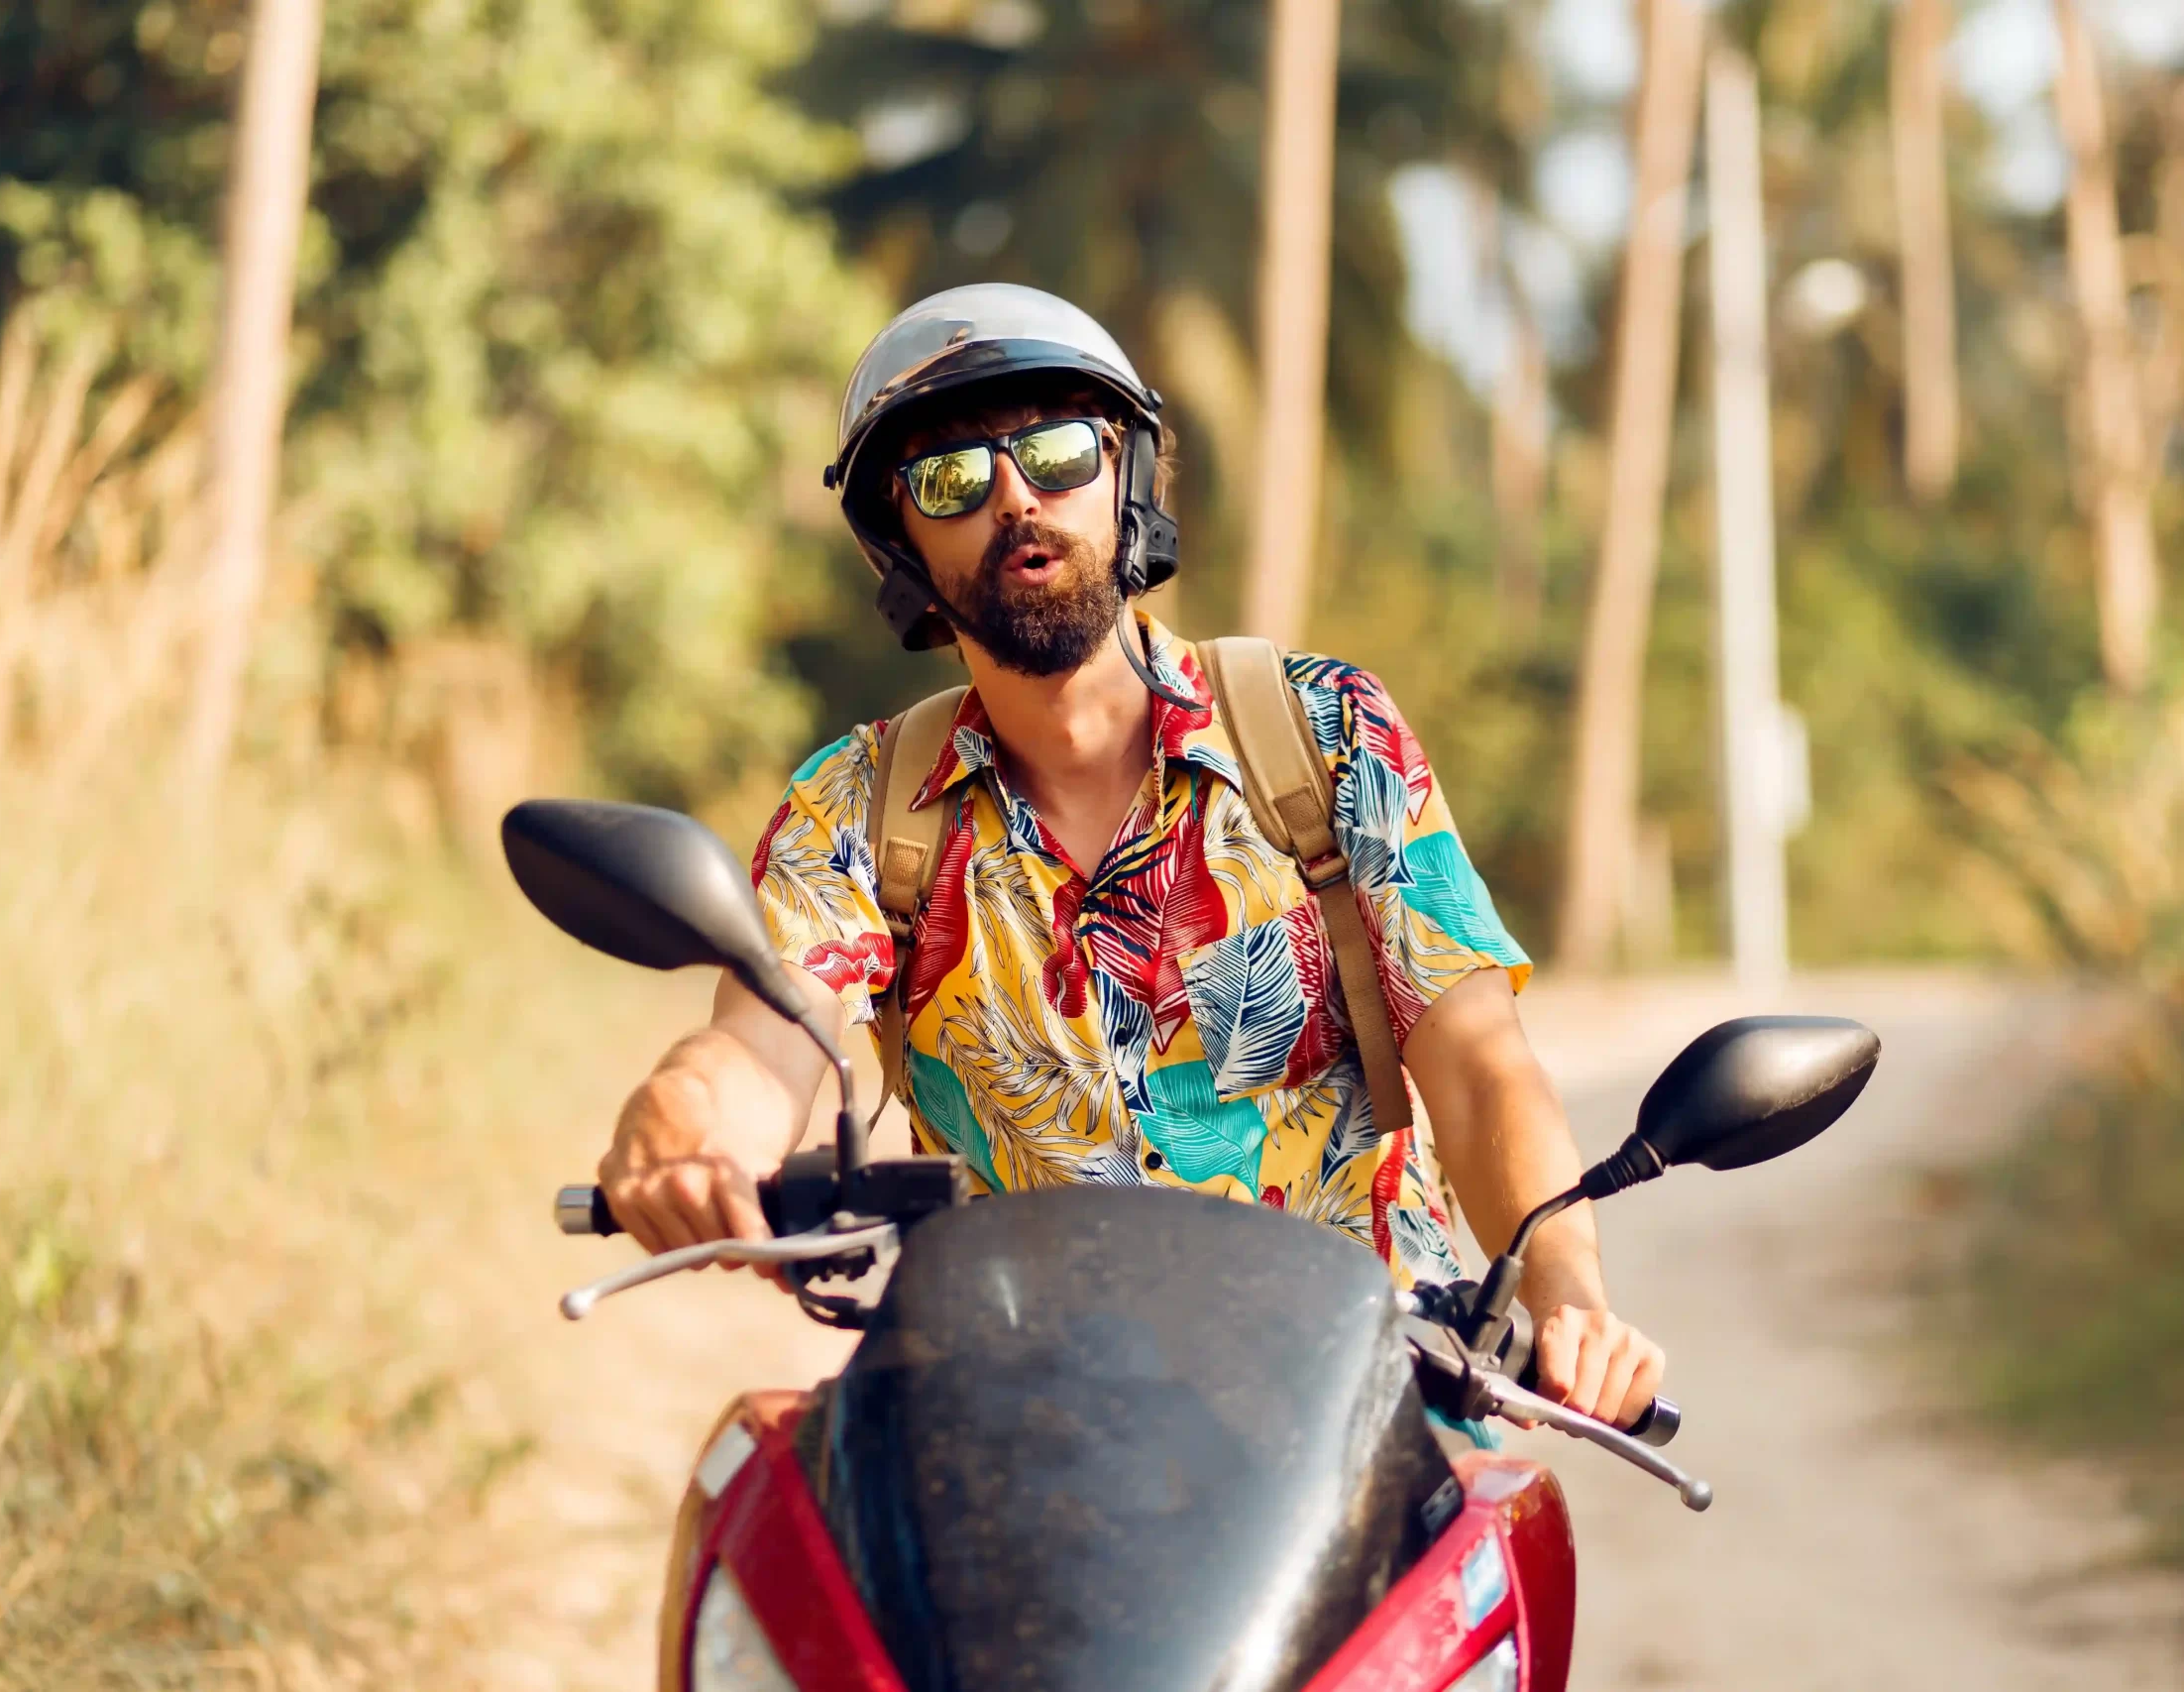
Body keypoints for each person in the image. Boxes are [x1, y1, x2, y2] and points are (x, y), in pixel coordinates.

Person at [597, 283, 1667, 1427]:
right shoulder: (859, 813)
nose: (1014, 498)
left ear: (1125, 475)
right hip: (1026, 1444)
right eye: (950, 478)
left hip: (1361, 1423)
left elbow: (1475, 1063)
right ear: (901, 539)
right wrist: (684, 1127)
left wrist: (1569, 1294)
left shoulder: (1322, 734)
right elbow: (758, 1048)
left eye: (1054, 452)